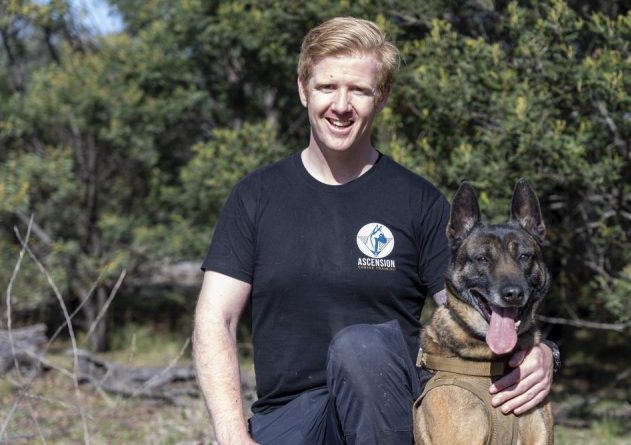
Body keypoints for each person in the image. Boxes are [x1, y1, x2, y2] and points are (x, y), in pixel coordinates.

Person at [193, 16, 556, 445]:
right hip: (292, 416)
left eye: (359, 90)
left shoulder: (417, 201)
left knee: (361, 348)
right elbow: (216, 318)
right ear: (302, 89)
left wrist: (544, 352)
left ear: (380, 97)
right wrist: (233, 437)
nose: (341, 105)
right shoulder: (255, 196)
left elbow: (473, 308)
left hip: (392, 413)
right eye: (328, 87)